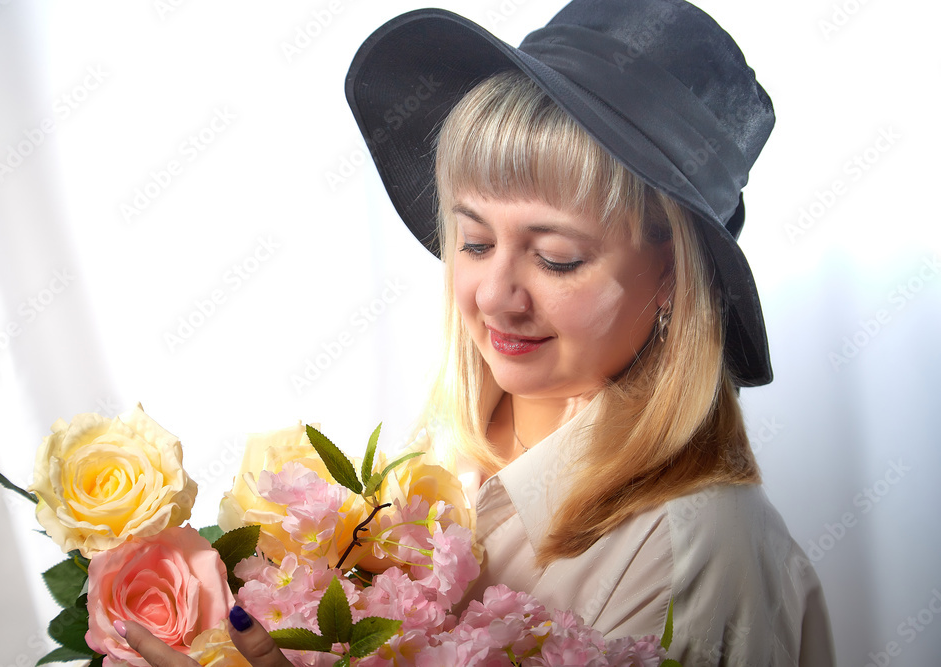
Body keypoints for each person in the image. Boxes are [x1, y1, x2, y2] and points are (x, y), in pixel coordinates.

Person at [124, 1, 834, 665]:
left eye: (557, 257)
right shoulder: (436, 464)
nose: (495, 295)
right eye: (472, 241)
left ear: (673, 275)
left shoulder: (700, 555)